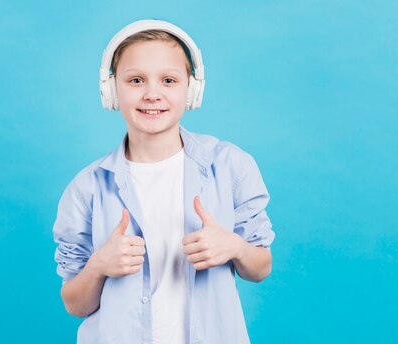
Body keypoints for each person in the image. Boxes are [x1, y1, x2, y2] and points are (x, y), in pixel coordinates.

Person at [53, 19, 275, 344]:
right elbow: (75, 303)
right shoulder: (87, 187)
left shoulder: (229, 165)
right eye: (136, 80)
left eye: (168, 80)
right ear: (111, 89)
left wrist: (235, 247)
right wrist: (98, 265)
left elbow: (260, 268)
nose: (152, 93)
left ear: (192, 89)